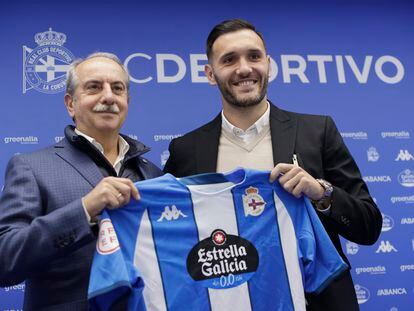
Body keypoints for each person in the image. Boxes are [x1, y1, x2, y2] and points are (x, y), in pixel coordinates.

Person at [164, 19, 382, 310]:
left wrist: (321, 193)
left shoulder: (317, 131)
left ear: (268, 64)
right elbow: (171, 240)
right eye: (229, 60)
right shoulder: (186, 150)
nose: (244, 68)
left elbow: (369, 227)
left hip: (314, 301)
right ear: (210, 74)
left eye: (253, 56)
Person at [0, 52, 162, 310]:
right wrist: (84, 210)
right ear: (70, 104)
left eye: (117, 88)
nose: (108, 97)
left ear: (126, 101)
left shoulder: (154, 174)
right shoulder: (31, 167)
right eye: (94, 87)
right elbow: (5, 260)